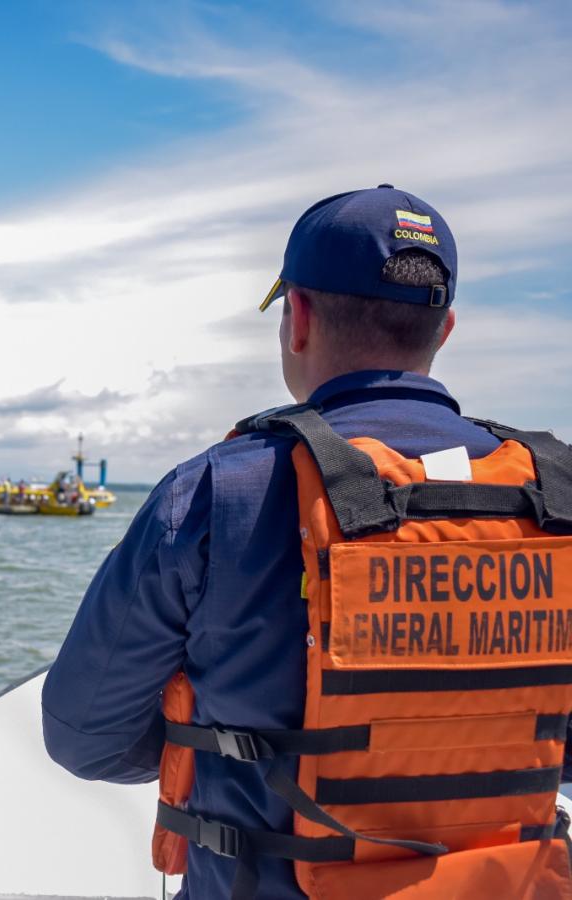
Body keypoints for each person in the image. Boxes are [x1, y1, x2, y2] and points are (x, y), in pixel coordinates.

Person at [42, 185, 572, 899]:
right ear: (443, 330)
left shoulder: (212, 493)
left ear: (297, 318)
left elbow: (84, 736)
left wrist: (207, 742)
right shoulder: (557, 495)